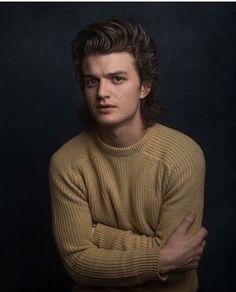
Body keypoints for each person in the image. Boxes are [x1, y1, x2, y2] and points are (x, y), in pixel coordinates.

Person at [49, 19, 208, 292]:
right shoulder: (66, 163)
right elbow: (77, 263)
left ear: (144, 87)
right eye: (91, 81)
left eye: (117, 79)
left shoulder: (182, 155)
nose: (102, 93)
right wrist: (159, 257)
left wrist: (98, 235)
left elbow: (178, 267)